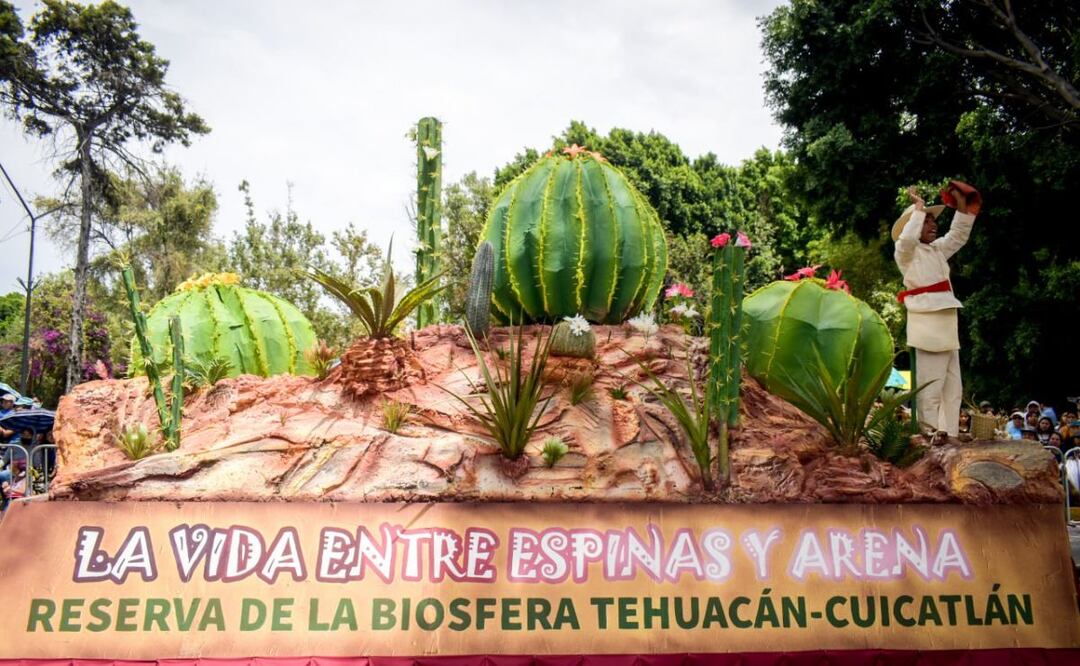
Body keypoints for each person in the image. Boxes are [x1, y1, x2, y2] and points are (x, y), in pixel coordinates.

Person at [894, 183, 978, 440]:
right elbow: (906, 239)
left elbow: (958, 236)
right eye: (927, 221)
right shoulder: (905, 253)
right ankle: (929, 433)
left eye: (933, 221)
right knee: (930, 386)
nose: (934, 225)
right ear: (914, 224)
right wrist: (918, 209)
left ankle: (948, 433)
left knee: (953, 387)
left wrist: (963, 206)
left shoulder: (937, 250)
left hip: (946, 320)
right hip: (927, 322)